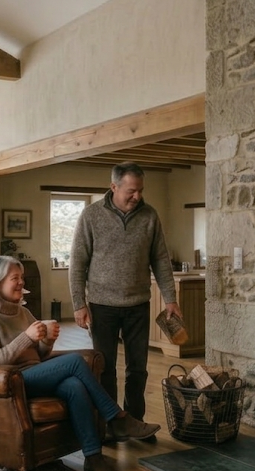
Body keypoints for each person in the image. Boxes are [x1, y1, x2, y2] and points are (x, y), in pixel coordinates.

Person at [0, 255, 161, 471]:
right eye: (15, 278)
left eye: (21, 277)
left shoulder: (22, 312)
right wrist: (27, 337)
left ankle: (93, 458)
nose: (21, 282)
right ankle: (117, 418)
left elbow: (38, 356)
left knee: (74, 386)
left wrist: (46, 341)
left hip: (32, 375)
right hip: (7, 381)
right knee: (75, 362)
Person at [69, 161, 181, 441]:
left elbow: (161, 260)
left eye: (140, 190)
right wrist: (79, 304)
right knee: (105, 368)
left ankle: (135, 422)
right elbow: (78, 263)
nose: (137, 196)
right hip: (101, 306)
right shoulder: (91, 215)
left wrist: (170, 299)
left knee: (138, 369)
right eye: (131, 191)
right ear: (114, 187)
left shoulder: (150, 216)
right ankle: (111, 423)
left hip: (138, 305)